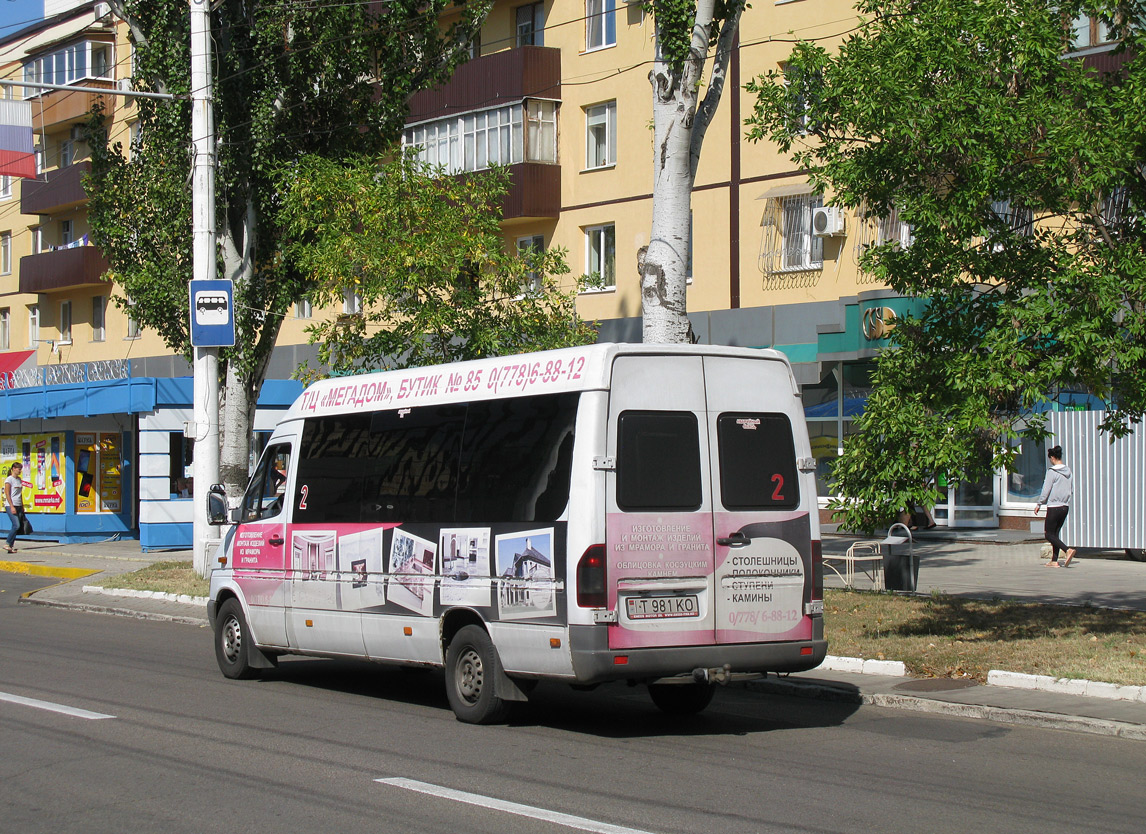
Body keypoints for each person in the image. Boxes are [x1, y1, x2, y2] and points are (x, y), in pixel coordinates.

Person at [1035, 445, 1076, 568]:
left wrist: (1039, 503)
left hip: (1054, 506)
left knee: (1048, 534)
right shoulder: (1068, 471)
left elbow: (1046, 490)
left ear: (1052, 458)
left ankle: (1067, 550)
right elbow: (1072, 489)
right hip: (1065, 506)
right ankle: (1054, 560)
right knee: (1055, 534)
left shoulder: (1052, 472)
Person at [5, 462, 26, 554]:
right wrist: (12, 506)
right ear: (13, 469)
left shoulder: (19, 480)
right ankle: (7, 543)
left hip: (18, 505)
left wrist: (22, 505)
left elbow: (20, 494)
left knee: (17, 526)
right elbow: (7, 493)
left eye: (20, 469)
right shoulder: (9, 480)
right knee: (16, 525)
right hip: (10, 505)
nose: (20, 471)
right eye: (18, 469)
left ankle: (10, 547)